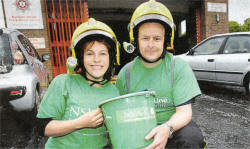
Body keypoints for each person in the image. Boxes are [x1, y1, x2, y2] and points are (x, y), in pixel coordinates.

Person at [116, 0, 206, 148]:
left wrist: (167, 128)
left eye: (157, 38)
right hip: (138, 133)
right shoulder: (126, 72)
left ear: (166, 40)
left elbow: (184, 112)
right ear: (136, 40)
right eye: (145, 38)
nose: (151, 45)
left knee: (191, 137)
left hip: (172, 129)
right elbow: (120, 115)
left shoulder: (178, 67)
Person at [36, 18, 120, 149]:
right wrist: (80, 123)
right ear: (81, 58)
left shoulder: (114, 91)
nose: (96, 60)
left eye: (103, 53)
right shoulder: (63, 83)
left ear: (111, 58)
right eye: (90, 54)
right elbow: (43, 127)